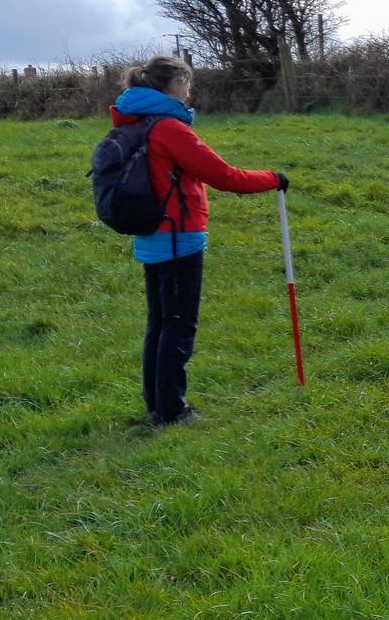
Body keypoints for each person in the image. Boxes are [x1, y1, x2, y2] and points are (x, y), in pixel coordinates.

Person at [109, 56, 288, 427]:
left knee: (160, 322)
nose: (189, 92)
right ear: (171, 85)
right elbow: (225, 176)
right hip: (178, 238)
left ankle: (157, 404)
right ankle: (172, 411)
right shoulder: (170, 129)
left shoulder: (136, 121)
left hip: (151, 236)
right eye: (186, 84)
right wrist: (273, 178)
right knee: (178, 324)